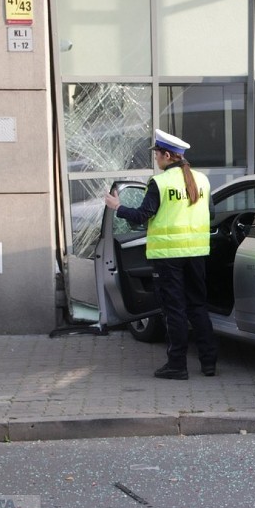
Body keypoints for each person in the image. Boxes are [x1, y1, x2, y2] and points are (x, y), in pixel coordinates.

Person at [104, 129, 217, 380]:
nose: (156, 160)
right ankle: (209, 362)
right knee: (198, 306)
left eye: (157, 155)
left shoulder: (161, 183)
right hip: (197, 253)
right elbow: (208, 213)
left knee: (174, 310)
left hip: (168, 256)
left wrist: (117, 207)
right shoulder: (202, 180)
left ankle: (177, 365)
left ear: (167, 155)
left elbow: (141, 217)